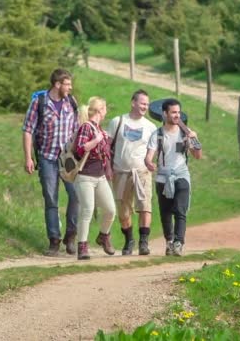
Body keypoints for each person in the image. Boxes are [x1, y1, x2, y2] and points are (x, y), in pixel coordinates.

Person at [22, 68, 79, 257]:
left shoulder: (71, 102)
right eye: (67, 84)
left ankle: (70, 236)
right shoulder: (39, 103)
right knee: (51, 199)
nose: (70, 88)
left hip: (68, 159)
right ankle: (54, 240)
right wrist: (28, 157)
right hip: (47, 158)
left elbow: (76, 130)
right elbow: (28, 130)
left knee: (76, 196)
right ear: (57, 84)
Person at [145, 98, 202, 256]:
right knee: (165, 212)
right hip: (163, 177)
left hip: (182, 175)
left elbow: (197, 155)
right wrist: (149, 163)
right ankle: (169, 242)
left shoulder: (185, 133)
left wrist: (194, 140)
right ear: (164, 114)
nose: (177, 115)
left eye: (178, 112)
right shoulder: (157, 134)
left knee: (179, 209)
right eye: (173, 112)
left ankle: (178, 243)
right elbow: (149, 156)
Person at [106, 89, 157, 256]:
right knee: (123, 210)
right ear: (133, 103)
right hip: (121, 171)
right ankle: (129, 240)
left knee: (145, 206)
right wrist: (107, 167)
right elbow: (107, 146)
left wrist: (149, 161)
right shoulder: (117, 121)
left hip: (142, 172)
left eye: (147, 104)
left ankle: (143, 242)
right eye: (142, 103)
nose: (145, 107)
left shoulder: (150, 127)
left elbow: (152, 148)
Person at [74, 96, 117, 260]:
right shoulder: (86, 127)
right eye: (105, 108)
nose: (106, 112)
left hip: (100, 177)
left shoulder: (99, 129)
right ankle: (82, 246)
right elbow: (80, 149)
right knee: (87, 210)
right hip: (85, 176)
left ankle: (103, 236)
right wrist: (96, 140)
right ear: (100, 110)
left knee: (110, 209)